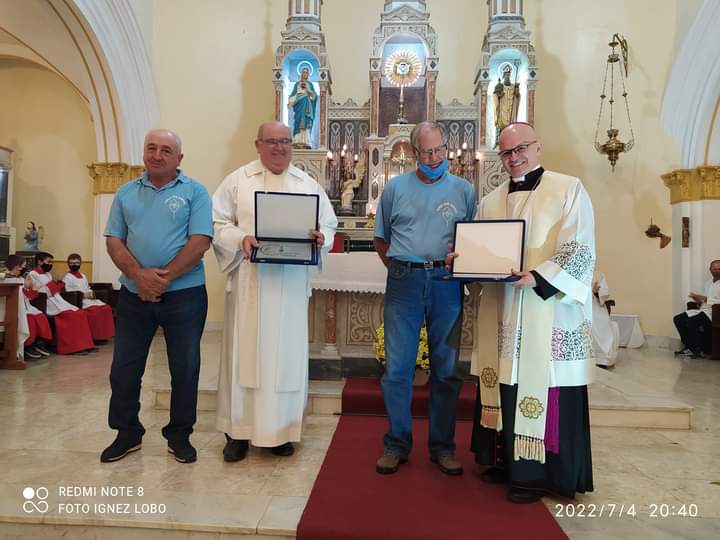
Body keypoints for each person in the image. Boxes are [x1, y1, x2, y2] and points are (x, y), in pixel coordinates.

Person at [456, 122, 595, 503]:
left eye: (521, 149)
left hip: (545, 312)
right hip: (503, 311)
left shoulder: (568, 189)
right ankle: (504, 463)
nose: (514, 158)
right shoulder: (491, 199)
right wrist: (464, 261)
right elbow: (483, 251)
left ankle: (539, 476)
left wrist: (538, 277)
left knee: (539, 383)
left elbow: (580, 248)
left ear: (538, 147)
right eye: (506, 152)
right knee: (504, 381)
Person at [212, 121, 337, 462]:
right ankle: (237, 433)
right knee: (243, 356)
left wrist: (321, 238)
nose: (279, 148)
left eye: (284, 142)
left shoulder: (306, 183)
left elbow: (328, 222)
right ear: (258, 144)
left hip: (290, 285)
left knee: (285, 358)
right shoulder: (238, 181)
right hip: (250, 284)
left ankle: (280, 432)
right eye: (272, 142)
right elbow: (217, 223)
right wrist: (241, 239)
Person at [101, 128, 213, 464]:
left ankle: (179, 435)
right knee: (124, 367)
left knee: (185, 367)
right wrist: (139, 276)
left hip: (185, 294)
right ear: (144, 153)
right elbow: (114, 240)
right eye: (152, 148)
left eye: (166, 150)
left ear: (179, 158)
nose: (157, 155)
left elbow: (200, 240)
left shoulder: (196, 192)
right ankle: (127, 433)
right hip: (134, 295)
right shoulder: (125, 193)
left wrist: (163, 279)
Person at [373, 121, 476, 475]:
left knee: (446, 371)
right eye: (426, 152)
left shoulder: (464, 190)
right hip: (404, 281)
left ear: (445, 148)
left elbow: (473, 241)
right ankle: (397, 443)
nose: (434, 158)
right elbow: (381, 239)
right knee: (398, 369)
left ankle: (443, 447)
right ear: (413, 153)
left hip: (447, 283)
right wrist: (404, 266)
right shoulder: (395, 189)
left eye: (438, 150)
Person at [27, 252, 95, 355]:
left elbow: (57, 289)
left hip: (58, 300)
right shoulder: (32, 274)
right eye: (48, 262)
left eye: (52, 262)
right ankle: (70, 348)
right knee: (71, 315)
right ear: (39, 262)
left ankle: (84, 345)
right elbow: (42, 292)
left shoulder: (48, 274)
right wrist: (56, 283)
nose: (50, 264)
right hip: (47, 302)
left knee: (80, 313)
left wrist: (59, 283)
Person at [5, 254, 51, 360]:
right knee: (29, 319)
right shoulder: (7, 278)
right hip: (14, 307)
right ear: (15, 265)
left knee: (40, 316)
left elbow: (29, 296)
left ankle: (38, 343)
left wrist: (33, 289)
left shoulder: (21, 278)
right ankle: (27, 346)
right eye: (21, 266)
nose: (22, 269)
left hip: (26, 305)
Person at [62, 253, 115, 341]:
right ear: (68, 264)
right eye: (72, 263)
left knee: (106, 308)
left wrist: (91, 293)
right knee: (94, 311)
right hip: (79, 300)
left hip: (89, 299)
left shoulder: (83, 276)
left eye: (77, 263)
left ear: (80, 263)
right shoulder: (67, 277)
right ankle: (94, 337)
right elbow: (68, 292)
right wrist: (83, 295)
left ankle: (103, 336)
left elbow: (87, 287)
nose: (74, 265)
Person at [673, 259, 720, 358]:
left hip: (715, 312)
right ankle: (690, 347)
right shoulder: (708, 283)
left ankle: (699, 349)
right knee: (678, 319)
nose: (716, 271)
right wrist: (698, 300)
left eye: (719, 269)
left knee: (692, 321)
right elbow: (704, 299)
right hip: (703, 309)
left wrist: (706, 299)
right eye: (714, 269)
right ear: (710, 270)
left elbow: (713, 300)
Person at [591, 271, 620, 367]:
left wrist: (597, 292)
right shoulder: (576, 273)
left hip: (597, 306)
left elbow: (605, 291)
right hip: (583, 307)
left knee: (603, 324)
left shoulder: (599, 275)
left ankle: (603, 359)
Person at [287, 67, 317, 149]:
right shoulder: (297, 84)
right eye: (303, 72)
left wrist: (308, 91)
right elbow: (293, 95)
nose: (305, 74)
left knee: (306, 122)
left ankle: (306, 141)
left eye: (306, 72)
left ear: (308, 74)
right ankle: (297, 140)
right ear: (301, 74)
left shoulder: (310, 84)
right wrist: (291, 101)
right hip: (299, 106)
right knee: (298, 121)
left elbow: (314, 97)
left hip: (307, 106)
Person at [492, 65, 521, 147]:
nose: (507, 76)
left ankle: (511, 143)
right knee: (501, 127)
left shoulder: (513, 87)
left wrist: (517, 93)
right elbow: (495, 96)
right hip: (502, 111)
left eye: (508, 75)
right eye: (506, 75)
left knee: (511, 128)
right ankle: (499, 142)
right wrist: (498, 95)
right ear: (503, 76)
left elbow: (518, 96)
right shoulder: (500, 86)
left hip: (511, 111)